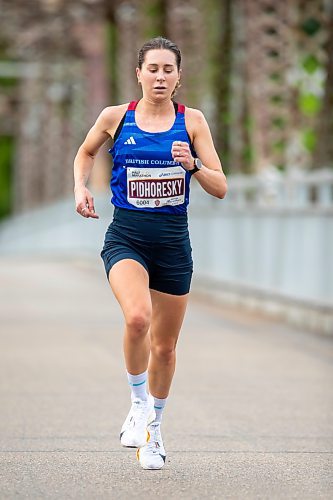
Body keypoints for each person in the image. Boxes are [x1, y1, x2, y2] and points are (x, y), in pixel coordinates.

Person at [73, 36, 227, 470]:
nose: (160, 76)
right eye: (152, 68)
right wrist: (80, 186)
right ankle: (138, 403)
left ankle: (154, 432)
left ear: (179, 77)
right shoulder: (116, 117)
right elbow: (85, 153)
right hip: (127, 236)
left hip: (173, 242)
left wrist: (193, 166)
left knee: (165, 346)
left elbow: (222, 187)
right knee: (137, 317)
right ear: (138, 73)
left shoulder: (192, 121)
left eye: (168, 70)